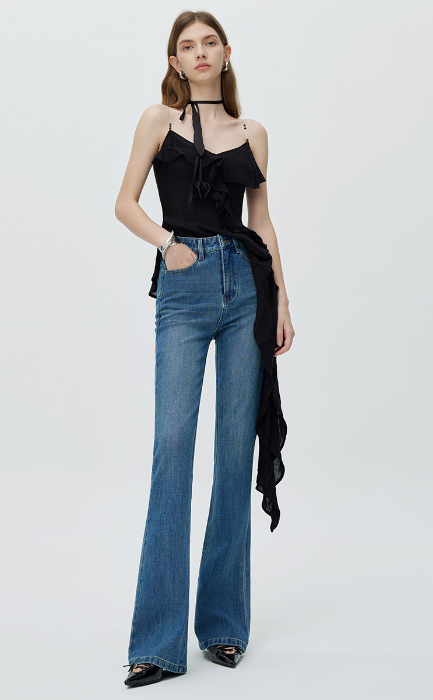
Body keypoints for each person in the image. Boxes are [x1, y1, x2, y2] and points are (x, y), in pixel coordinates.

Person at [114, 10, 294, 687]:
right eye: (186, 46)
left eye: (208, 42)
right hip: (186, 289)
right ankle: (157, 644)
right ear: (174, 59)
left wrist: (282, 301)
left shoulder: (253, 133)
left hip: (247, 288)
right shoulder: (157, 120)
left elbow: (262, 222)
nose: (198, 53)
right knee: (172, 449)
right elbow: (125, 203)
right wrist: (169, 246)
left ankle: (222, 626)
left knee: (233, 452)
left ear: (225, 52)